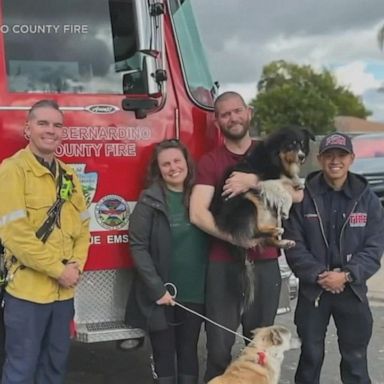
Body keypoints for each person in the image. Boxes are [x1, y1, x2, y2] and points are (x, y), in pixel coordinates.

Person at [189, 91, 303, 382]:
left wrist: (255, 181)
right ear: (217, 121)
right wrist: (234, 238)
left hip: (265, 263)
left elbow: (298, 194)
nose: (233, 118)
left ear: (249, 112)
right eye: (225, 114)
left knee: (261, 348)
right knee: (217, 349)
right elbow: (198, 213)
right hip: (224, 263)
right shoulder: (211, 161)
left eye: (237, 111)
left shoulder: (270, 151)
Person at [0, 99, 90, 384]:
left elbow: (83, 226)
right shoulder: (12, 171)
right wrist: (59, 270)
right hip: (28, 295)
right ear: (28, 129)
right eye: (43, 123)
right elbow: (16, 236)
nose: (51, 130)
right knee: (20, 370)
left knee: (54, 367)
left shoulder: (69, 174)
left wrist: (76, 265)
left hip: (63, 296)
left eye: (57, 125)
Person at [284, 132, 384, 384]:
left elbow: (375, 246)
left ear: (351, 158)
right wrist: (320, 275)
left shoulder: (367, 199)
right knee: (310, 357)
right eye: (329, 155)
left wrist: (347, 275)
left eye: (341, 155)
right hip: (313, 292)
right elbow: (293, 244)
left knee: (355, 361)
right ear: (319, 159)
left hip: (353, 290)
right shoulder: (303, 196)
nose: (335, 161)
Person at [125, 139, 209, 384]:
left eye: (177, 161)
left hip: (196, 293)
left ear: (186, 163)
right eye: (165, 164)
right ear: (158, 169)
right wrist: (157, 289)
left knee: (189, 352)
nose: (173, 168)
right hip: (162, 297)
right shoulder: (148, 200)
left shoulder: (201, 196)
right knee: (163, 356)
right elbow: (138, 247)